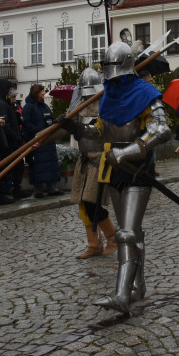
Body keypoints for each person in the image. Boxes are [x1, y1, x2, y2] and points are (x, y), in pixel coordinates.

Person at [78, 41, 172, 314]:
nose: (110, 70)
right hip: (114, 171)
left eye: (113, 64)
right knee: (132, 233)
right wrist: (78, 128)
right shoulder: (108, 95)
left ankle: (121, 294)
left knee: (126, 233)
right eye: (106, 65)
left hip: (137, 170)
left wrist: (129, 151)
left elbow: (161, 130)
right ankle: (138, 286)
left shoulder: (146, 93)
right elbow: (101, 131)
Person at [58, 68, 118, 259]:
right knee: (83, 204)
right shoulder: (78, 105)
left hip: (100, 159)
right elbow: (69, 129)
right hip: (83, 158)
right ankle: (94, 244)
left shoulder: (106, 106)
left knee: (93, 202)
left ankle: (113, 238)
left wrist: (78, 127)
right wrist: (60, 125)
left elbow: (103, 132)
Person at [22, 84, 61, 197]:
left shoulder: (45, 106)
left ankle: (52, 188)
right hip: (37, 142)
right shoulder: (28, 107)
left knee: (51, 165)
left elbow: (50, 121)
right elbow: (27, 125)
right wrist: (41, 130)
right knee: (37, 167)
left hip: (48, 141)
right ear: (36, 93)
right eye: (42, 91)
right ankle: (38, 190)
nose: (44, 93)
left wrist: (56, 122)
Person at [0, 80, 27, 201]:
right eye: (9, 89)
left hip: (12, 141)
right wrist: (15, 136)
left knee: (18, 166)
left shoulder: (5, 102)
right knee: (5, 168)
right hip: (7, 142)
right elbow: (5, 124)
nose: (11, 91)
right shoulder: (0, 103)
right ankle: (1, 194)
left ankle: (16, 190)